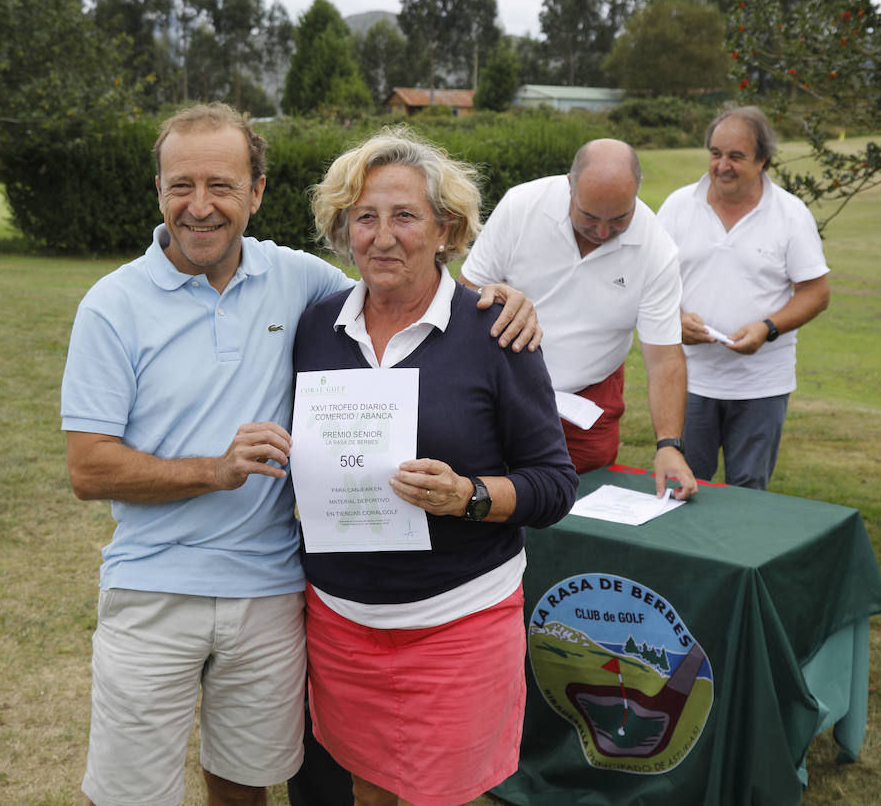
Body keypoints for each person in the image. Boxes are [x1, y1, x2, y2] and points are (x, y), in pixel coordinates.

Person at [60, 103, 541, 806]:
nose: (200, 207)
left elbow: (404, 278)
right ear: (158, 191)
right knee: (132, 794)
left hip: (272, 590)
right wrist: (214, 471)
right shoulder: (112, 305)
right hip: (154, 587)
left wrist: (497, 299)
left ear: (256, 192)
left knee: (246, 784)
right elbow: (88, 468)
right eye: (180, 185)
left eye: (221, 185)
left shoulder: (302, 285)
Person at [293, 127, 578, 805]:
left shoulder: (495, 331)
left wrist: (468, 496)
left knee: (442, 796)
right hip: (341, 622)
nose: (383, 237)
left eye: (405, 216)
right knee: (367, 788)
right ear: (343, 229)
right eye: (365, 217)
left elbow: (554, 482)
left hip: (458, 622)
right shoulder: (315, 326)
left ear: (446, 230)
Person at [458, 138, 697, 499]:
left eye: (619, 219)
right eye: (589, 216)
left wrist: (669, 445)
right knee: (489, 487)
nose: (602, 233)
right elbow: (469, 289)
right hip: (505, 386)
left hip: (589, 400)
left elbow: (664, 359)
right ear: (569, 184)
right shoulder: (523, 205)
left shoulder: (657, 250)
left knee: (581, 499)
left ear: (637, 193)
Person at [656, 106, 830, 490]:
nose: (722, 166)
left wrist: (768, 328)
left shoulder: (790, 213)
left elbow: (816, 293)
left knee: (748, 492)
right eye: (716, 154)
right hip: (689, 378)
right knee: (683, 486)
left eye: (736, 156)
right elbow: (651, 280)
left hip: (762, 385)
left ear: (763, 160)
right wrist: (674, 319)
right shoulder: (678, 206)